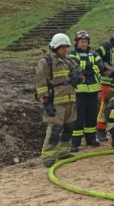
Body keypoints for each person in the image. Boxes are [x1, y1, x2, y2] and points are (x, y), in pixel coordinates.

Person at [34, 33, 82, 167]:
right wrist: (45, 102)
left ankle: (63, 152)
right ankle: (48, 156)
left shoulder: (68, 60)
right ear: (55, 47)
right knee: (55, 129)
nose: (65, 50)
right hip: (56, 101)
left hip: (70, 99)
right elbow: (40, 83)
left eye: (66, 47)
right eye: (63, 47)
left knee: (68, 128)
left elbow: (78, 73)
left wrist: (78, 77)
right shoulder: (46, 62)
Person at [68, 30, 104, 152]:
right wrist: (90, 66)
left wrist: (85, 67)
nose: (84, 44)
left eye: (85, 41)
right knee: (79, 116)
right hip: (80, 91)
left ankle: (91, 138)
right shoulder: (72, 54)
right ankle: (75, 142)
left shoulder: (94, 53)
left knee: (91, 115)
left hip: (93, 90)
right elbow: (74, 66)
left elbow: (100, 66)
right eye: (81, 41)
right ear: (77, 42)